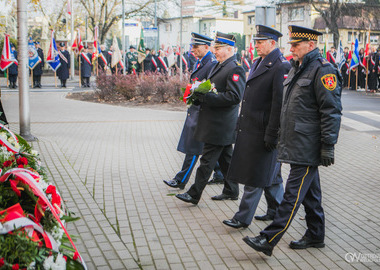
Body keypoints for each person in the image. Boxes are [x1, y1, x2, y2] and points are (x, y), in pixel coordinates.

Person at [242, 25, 342, 256]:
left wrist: (328, 145)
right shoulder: (298, 69)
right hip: (297, 142)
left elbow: (331, 110)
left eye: (296, 45)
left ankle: (268, 239)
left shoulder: (323, 71)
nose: (292, 49)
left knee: (292, 195)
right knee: (311, 194)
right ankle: (316, 235)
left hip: (309, 146)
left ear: (311, 45)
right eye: (292, 44)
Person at [222, 25, 291, 229]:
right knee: (273, 176)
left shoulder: (280, 66)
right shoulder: (258, 62)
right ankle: (276, 211)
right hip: (252, 128)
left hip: (264, 131)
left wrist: (272, 134)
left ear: (272, 43)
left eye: (260, 42)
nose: (256, 46)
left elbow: (279, 104)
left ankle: (242, 217)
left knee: (256, 175)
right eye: (255, 42)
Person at [175, 32, 245, 205]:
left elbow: (234, 97)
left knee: (206, 161)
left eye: (218, 48)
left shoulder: (235, 68)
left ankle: (194, 194)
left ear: (229, 49)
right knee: (226, 160)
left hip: (220, 124)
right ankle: (232, 190)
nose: (215, 51)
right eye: (215, 48)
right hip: (215, 122)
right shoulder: (220, 65)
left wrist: (207, 97)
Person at [163, 32, 222, 190]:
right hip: (197, 109)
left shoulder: (210, 63)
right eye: (192, 46)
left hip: (202, 112)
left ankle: (181, 179)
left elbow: (212, 88)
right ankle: (221, 173)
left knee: (195, 147)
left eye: (196, 47)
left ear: (206, 47)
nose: (192, 50)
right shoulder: (202, 62)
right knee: (210, 146)